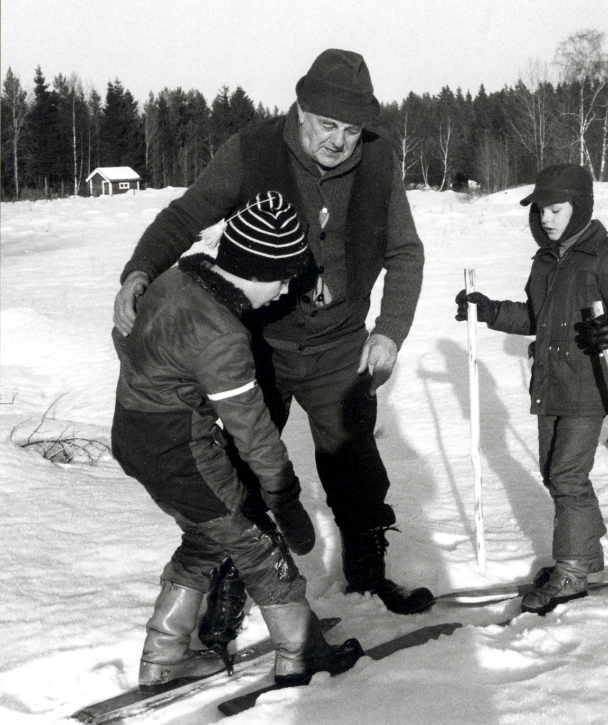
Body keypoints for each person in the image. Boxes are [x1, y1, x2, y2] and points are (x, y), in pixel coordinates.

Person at [112, 50, 431, 614]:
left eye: (351, 130)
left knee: (355, 464)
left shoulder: (380, 161)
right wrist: (140, 270)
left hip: (340, 344)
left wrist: (390, 331)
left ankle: (367, 578)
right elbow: (184, 217)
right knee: (243, 465)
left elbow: (404, 252)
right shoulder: (252, 150)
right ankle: (230, 594)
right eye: (327, 125)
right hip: (260, 342)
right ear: (301, 109)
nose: (339, 141)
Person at [112, 193, 362, 692]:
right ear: (256, 268)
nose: (286, 289)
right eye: (283, 278)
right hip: (180, 453)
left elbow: (127, 340)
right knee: (258, 545)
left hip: (135, 437)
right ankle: (300, 654)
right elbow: (253, 432)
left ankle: (163, 660)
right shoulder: (221, 334)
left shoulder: (173, 281)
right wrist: (283, 496)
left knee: (206, 536)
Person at [454, 164, 608, 614]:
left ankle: (572, 568)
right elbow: (536, 317)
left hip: (587, 387)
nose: (545, 218)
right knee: (553, 472)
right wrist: (490, 311)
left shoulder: (607, 257)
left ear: (579, 208)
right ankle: (586, 554)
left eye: (556, 210)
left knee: (567, 475)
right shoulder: (545, 261)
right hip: (549, 382)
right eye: (540, 210)